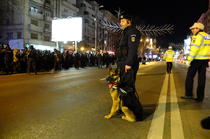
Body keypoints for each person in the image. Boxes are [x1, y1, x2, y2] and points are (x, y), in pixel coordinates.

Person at [116, 14, 143, 122]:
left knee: (128, 89)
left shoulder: (132, 32)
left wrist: (128, 63)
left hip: (128, 64)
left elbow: (132, 49)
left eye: (123, 21)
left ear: (129, 22)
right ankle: (126, 109)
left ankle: (136, 113)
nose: (120, 23)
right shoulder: (126, 32)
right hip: (123, 64)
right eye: (120, 21)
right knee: (124, 88)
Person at [181, 22, 210, 102]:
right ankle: (200, 98)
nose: (192, 30)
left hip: (196, 60)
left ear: (198, 29)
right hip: (204, 60)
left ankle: (189, 94)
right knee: (202, 79)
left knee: (189, 77)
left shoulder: (197, 36)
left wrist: (189, 58)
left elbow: (195, 48)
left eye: (194, 28)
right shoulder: (208, 36)